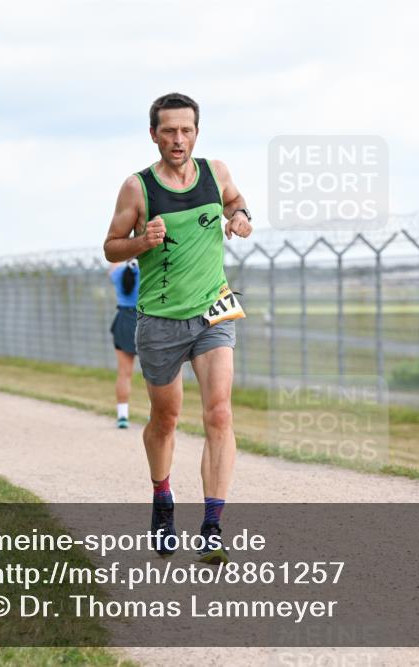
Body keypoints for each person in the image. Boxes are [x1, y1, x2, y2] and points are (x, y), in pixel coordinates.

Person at [102, 92, 252, 564]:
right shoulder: (137, 188)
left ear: (197, 133)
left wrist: (241, 216)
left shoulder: (216, 172)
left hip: (214, 311)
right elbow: (110, 247)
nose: (178, 139)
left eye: (186, 130)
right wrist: (140, 241)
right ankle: (163, 498)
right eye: (168, 130)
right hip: (161, 321)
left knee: (220, 414)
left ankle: (212, 525)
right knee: (165, 420)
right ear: (154, 135)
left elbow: (235, 200)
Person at [108, 259, 140, 428]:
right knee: (154, 374)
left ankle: (122, 416)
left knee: (124, 373)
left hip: (123, 321)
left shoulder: (118, 273)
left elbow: (112, 261)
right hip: (145, 320)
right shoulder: (147, 272)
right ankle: (154, 415)